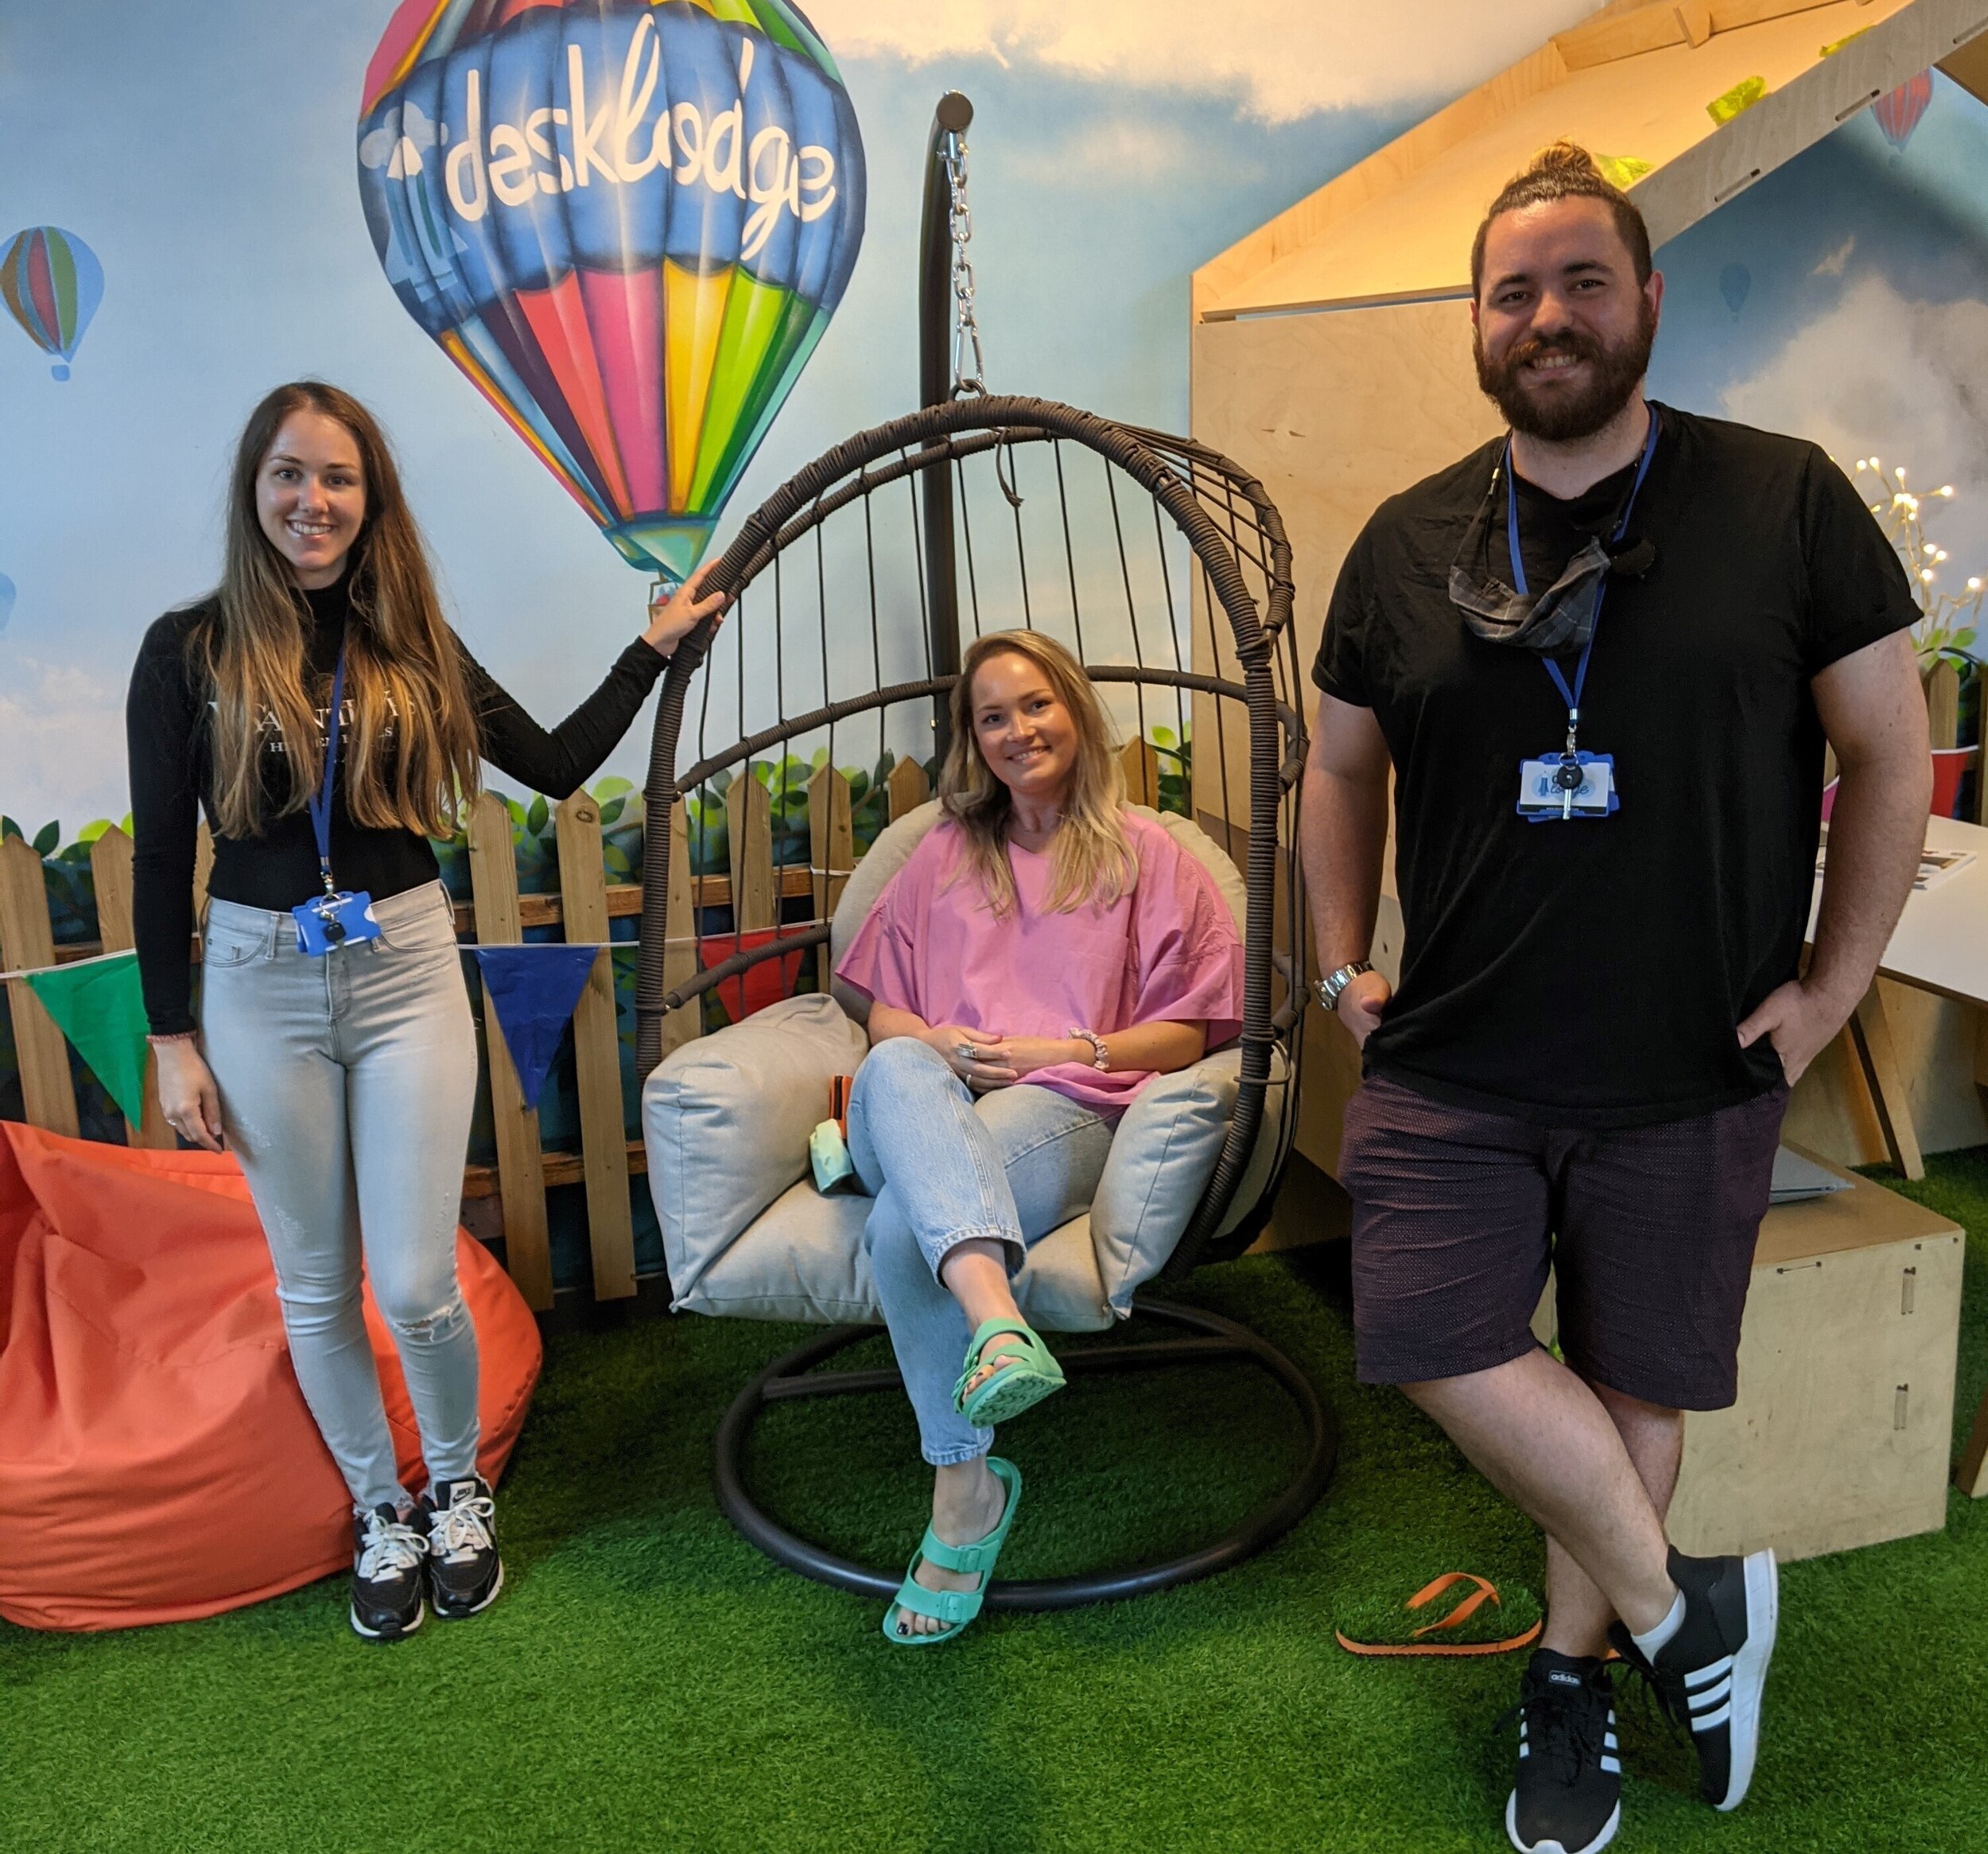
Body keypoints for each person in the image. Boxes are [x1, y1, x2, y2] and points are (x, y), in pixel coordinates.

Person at [1303, 146, 1930, 1854]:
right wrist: (1340, 961)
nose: (1547, 316)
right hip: (1453, 1051)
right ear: (1475, 324)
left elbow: (1885, 752)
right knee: (1428, 1329)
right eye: (1512, 291)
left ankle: (1573, 1679)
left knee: (1632, 1380)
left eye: (1583, 280)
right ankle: (1685, 1607)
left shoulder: (1783, 500)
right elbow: (1339, 769)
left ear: (1645, 299)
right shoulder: (1403, 538)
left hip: (1691, 1053)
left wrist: (1832, 989)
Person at [127, 381, 724, 1642]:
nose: (313, 499)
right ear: (254, 487)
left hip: (404, 968)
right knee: (315, 1285)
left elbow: (554, 762)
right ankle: (380, 1509)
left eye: (338, 477)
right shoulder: (186, 651)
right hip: (256, 982)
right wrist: (171, 1038)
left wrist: (652, 647)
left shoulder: (407, 640)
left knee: (412, 1279)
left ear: (371, 497)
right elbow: (160, 854)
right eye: (290, 473)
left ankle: (457, 1488)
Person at [834, 629, 1244, 1644]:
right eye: (992, 717)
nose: (1017, 730)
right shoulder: (941, 852)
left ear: (1074, 709)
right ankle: (997, 1321)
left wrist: (1063, 1049)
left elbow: (1191, 1030)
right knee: (897, 1062)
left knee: (899, 1230)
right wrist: (937, 1042)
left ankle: (963, 1496)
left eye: (1034, 704)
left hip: (1066, 1103)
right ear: (973, 740)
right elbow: (880, 1008)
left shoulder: (1152, 855)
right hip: (930, 1098)